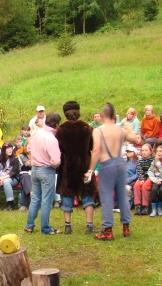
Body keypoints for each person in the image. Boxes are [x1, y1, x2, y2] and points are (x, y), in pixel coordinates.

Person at [89, 103, 141, 240]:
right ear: (114, 115)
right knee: (122, 195)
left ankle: (108, 230)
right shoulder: (120, 130)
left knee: (106, 197)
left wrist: (90, 169)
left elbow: (96, 151)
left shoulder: (98, 130)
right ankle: (126, 227)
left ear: (103, 115)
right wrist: (129, 127)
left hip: (107, 165)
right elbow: (135, 139)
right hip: (120, 163)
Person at [55, 100, 97, 234]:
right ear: (78, 112)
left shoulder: (61, 130)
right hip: (84, 166)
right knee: (87, 195)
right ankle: (89, 225)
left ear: (65, 113)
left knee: (67, 195)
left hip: (67, 168)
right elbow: (92, 147)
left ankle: (68, 226)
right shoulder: (87, 128)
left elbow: (58, 149)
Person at [25, 112, 62, 235]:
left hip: (35, 169)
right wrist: (51, 163)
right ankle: (45, 228)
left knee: (35, 198)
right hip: (46, 170)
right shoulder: (52, 139)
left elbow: (28, 148)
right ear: (56, 124)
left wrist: (35, 158)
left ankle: (29, 225)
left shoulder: (36, 133)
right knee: (46, 200)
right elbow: (56, 161)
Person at [0, 142, 19, 210]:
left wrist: (3, 179)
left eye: (11, 148)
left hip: (12, 178)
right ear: (4, 150)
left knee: (6, 182)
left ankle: (10, 203)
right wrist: (0, 178)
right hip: (1, 176)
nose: (10, 150)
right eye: (8, 148)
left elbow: (15, 171)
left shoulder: (15, 158)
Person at [133, 143, 153, 215]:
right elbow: (139, 171)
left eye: (146, 150)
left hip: (151, 177)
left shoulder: (154, 159)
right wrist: (141, 179)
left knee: (145, 186)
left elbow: (153, 171)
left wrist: (147, 179)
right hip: (143, 177)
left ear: (150, 151)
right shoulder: (140, 160)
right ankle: (138, 206)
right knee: (136, 186)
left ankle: (145, 206)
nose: (144, 152)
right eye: (142, 150)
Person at [17, 145, 32, 212]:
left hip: (36, 174)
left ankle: (24, 205)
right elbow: (19, 169)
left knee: (25, 184)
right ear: (25, 147)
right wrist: (25, 165)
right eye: (28, 145)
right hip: (24, 175)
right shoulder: (21, 156)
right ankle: (31, 193)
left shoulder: (38, 155)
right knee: (25, 177)